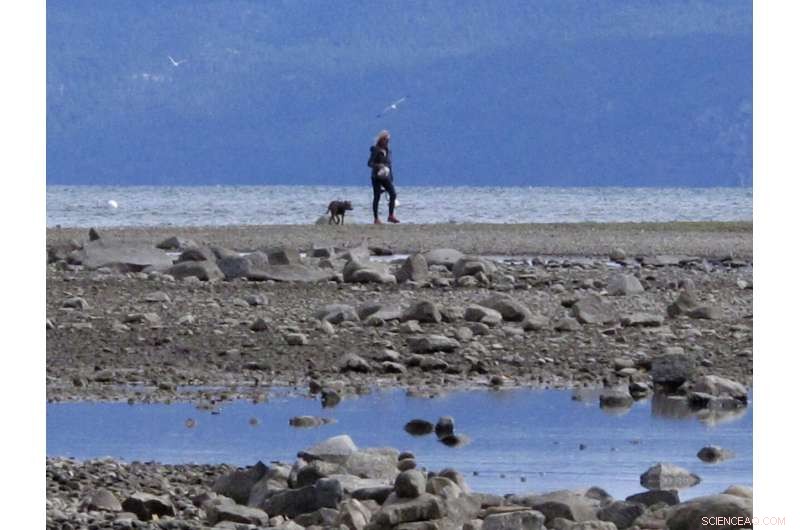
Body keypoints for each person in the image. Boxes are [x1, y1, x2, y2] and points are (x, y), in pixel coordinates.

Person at [367, 130, 399, 224]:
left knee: (393, 194)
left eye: (388, 139)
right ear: (381, 140)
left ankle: (391, 215)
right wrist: (379, 165)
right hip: (376, 177)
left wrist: (391, 176)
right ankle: (376, 218)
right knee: (377, 196)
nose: (387, 141)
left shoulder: (388, 151)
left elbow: (389, 165)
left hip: (386, 177)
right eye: (385, 139)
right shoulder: (376, 150)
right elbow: (369, 163)